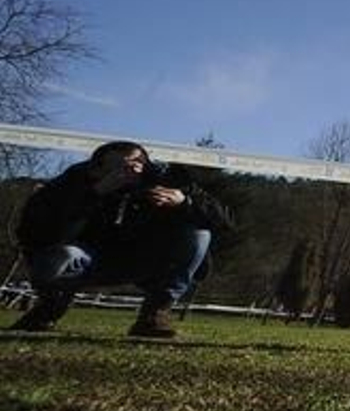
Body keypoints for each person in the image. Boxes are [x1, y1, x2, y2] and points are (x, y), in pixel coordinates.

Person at [7, 140, 233, 338]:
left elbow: (224, 222)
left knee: (199, 232)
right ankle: (49, 306)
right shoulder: (72, 181)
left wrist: (185, 203)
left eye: (138, 164)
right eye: (119, 166)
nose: (132, 171)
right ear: (96, 168)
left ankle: (155, 312)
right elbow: (34, 233)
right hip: (85, 257)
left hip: (143, 259)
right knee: (61, 255)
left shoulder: (166, 179)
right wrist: (93, 194)